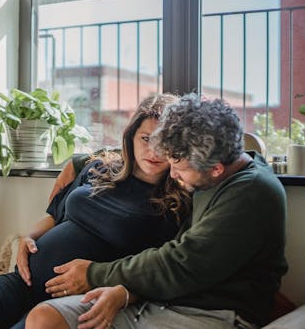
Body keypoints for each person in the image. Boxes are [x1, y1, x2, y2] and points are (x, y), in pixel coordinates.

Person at [26, 93, 288, 329]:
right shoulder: (214, 168)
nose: (172, 174)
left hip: (212, 313)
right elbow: (132, 151)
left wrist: (95, 275)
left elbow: (181, 263)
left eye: (178, 167)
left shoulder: (251, 193)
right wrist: (80, 161)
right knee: (44, 318)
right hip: (164, 299)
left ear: (216, 168)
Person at [0, 93, 192, 329]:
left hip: (72, 298)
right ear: (131, 137)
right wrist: (28, 237)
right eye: (146, 139)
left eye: (164, 142)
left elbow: (159, 270)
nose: (153, 151)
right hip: (24, 282)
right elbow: (54, 215)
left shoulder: (174, 203)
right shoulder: (99, 169)